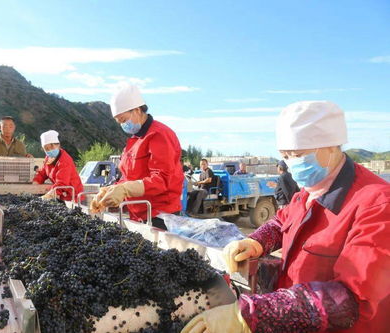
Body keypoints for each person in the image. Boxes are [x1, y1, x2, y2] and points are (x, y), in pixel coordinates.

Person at [182, 101, 390, 333]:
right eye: (285, 155)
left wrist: (250, 315)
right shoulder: (308, 191)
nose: (291, 163)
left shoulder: (377, 204)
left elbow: (351, 298)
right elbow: (282, 221)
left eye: (298, 155)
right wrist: (256, 241)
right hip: (297, 318)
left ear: (331, 146)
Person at [90, 84, 184, 230]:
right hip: (138, 213)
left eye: (123, 119)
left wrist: (125, 189)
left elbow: (162, 180)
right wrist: (110, 190)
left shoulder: (159, 135)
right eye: (119, 122)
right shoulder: (133, 141)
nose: (123, 125)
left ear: (137, 110)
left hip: (161, 216)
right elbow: (128, 178)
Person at [33, 130, 83, 201]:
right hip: (62, 196)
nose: (49, 150)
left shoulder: (64, 160)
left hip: (73, 197)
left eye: (52, 147)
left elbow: (62, 184)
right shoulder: (48, 158)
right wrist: (35, 183)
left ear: (58, 145)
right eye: (46, 149)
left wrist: (46, 197)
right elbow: (42, 173)